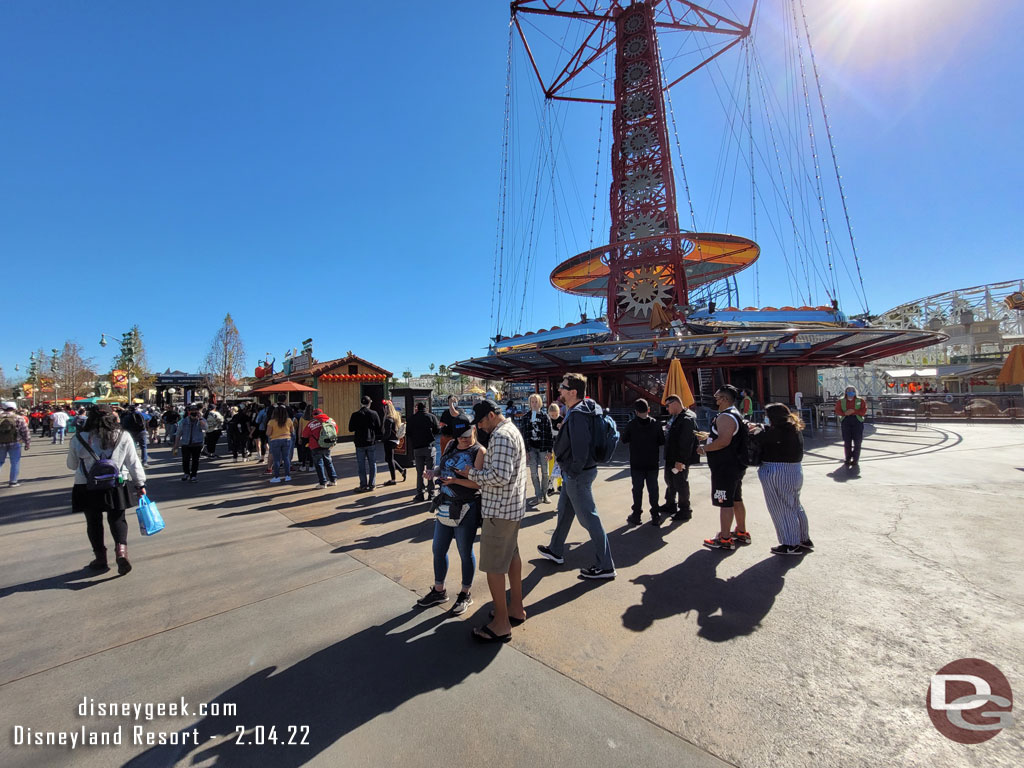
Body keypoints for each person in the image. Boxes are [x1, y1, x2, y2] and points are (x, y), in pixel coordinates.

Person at [537, 373, 616, 580]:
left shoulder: (578, 414)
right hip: (575, 473)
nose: (559, 390)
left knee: (589, 519)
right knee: (564, 511)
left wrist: (571, 472)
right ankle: (555, 550)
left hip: (577, 475)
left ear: (573, 392)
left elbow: (580, 449)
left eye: (563, 387)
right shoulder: (583, 409)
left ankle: (605, 565)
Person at [463, 400, 527, 642]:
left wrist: (470, 473)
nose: (480, 427)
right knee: (512, 557)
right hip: (512, 507)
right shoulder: (512, 431)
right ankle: (515, 609)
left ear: (491, 415)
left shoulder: (500, 436)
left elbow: (498, 477)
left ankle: (501, 623)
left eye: (481, 421)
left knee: (493, 567)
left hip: (499, 511)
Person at [67, 404, 146, 575]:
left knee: (93, 522)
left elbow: (71, 465)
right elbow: (133, 462)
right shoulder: (123, 436)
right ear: (112, 417)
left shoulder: (79, 437)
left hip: (86, 485)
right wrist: (140, 484)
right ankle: (121, 551)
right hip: (117, 483)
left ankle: (100, 558)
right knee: (118, 519)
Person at [416, 421, 485, 616]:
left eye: (466, 435)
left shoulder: (479, 451)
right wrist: (433, 472)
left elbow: (477, 484)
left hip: (466, 506)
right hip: (445, 504)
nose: (463, 439)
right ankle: (439, 590)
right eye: (459, 436)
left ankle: (465, 592)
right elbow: (443, 466)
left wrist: (455, 481)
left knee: (465, 551)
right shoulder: (451, 445)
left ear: (473, 430)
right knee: (438, 548)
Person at [751, 403, 813, 556]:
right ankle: (803, 538)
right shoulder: (793, 427)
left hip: (776, 470)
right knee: (794, 505)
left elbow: (758, 437)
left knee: (781, 508)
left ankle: (790, 543)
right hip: (795, 470)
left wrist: (755, 428)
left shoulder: (778, 431)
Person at [699, 384, 751, 550]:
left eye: (717, 397)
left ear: (724, 399)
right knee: (736, 498)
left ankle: (725, 538)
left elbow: (724, 441)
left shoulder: (725, 417)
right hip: (734, 465)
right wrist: (710, 436)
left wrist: (704, 448)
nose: (715, 399)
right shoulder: (734, 415)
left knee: (725, 502)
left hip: (725, 467)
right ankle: (741, 531)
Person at [621, 398, 665, 526]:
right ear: (649, 410)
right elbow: (662, 441)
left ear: (636, 412)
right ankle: (655, 515)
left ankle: (636, 514)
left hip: (637, 462)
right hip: (652, 462)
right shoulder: (656, 424)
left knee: (637, 489)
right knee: (653, 489)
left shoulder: (632, 424)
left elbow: (624, 439)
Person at [662, 394, 699, 522]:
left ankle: (685, 510)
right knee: (670, 480)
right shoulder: (675, 417)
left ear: (675, 403)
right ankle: (670, 504)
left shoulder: (686, 419)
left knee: (681, 483)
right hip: (671, 456)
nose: (666, 409)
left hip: (679, 458)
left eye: (667, 405)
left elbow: (686, 442)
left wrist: (681, 460)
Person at [517, 393, 553, 508]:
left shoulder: (544, 416)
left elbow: (549, 434)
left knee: (545, 472)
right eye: (532, 402)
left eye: (536, 401)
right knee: (533, 473)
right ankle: (538, 495)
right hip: (531, 447)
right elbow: (522, 435)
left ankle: (545, 493)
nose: (534, 404)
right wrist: (525, 451)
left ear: (540, 403)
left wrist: (549, 450)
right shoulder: (526, 417)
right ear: (529, 403)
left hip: (543, 447)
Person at [407, 401, 440, 502]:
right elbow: (437, 430)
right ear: (425, 408)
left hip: (417, 448)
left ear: (416, 408)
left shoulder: (412, 418)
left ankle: (419, 494)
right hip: (429, 447)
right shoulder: (431, 417)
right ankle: (431, 493)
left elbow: (408, 433)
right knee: (430, 471)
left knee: (419, 472)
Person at [348, 395, 382, 492]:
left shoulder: (355, 415)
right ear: (369, 403)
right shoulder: (374, 413)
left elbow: (350, 428)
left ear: (361, 403)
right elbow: (379, 428)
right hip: (370, 442)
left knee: (361, 465)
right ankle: (372, 484)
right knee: (373, 464)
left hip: (359, 442)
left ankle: (363, 484)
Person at [302, 408, 339, 489]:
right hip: (328, 444)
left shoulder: (312, 423)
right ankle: (333, 480)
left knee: (319, 464)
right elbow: (336, 430)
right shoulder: (331, 421)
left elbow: (304, 435)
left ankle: (323, 483)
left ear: (314, 415)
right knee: (328, 462)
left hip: (315, 445)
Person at [835, 386, 867, 468]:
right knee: (847, 441)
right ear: (845, 392)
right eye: (849, 390)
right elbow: (837, 410)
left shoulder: (861, 400)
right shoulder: (840, 401)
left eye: (853, 390)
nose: (851, 392)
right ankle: (848, 458)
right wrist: (845, 413)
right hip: (846, 421)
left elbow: (863, 411)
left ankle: (855, 459)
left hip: (857, 421)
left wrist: (854, 411)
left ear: (855, 392)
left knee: (858, 441)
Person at [0, 402, 31, 487]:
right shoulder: (19, 418)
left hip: (1, 443)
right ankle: (13, 481)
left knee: (0, 462)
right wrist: (27, 443)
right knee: (15, 462)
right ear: (14, 408)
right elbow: (25, 431)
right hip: (15, 442)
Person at [174, 404, 207, 482]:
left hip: (197, 443)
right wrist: (176, 445)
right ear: (189, 412)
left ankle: (193, 475)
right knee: (185, 460)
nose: (194, 412)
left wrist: (200, 418)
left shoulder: (201, 420)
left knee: (196, 460)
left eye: (195, 411)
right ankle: (186, 473)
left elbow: (205, 427)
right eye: (192, 411)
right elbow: (179, 433)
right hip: (186, 443)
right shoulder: (184, 421)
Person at [380, 400, 408, 485]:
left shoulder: (388, 419)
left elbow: (387, 433)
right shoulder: (396, 416)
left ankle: (393, 479)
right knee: (389, 459)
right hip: (395, 440)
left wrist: (382, 439)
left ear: (386, 408)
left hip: (389, 441)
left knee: (390, 459)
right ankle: (401, 470)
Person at [266, 404, 294, 483]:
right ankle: (287, 476)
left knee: (277, 459)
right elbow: (292, 431)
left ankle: (277, 477)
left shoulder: (271, 422)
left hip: (275, 440)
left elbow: (268, 433)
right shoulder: (289, 420)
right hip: (287, 440)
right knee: (286, 458)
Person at [545, 402, 563, 495]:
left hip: (559, 447)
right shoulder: (548, 420)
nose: (554, 416)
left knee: (560, 466)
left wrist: (561, 427)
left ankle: (560, 485)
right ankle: (550, 486)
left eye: (556, 414)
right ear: (549, 414)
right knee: (551, 467)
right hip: (551, 447)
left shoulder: (562, 420)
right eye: (552, 415)